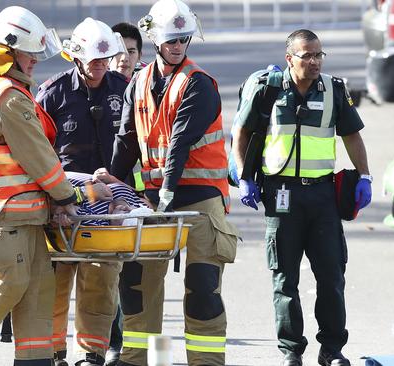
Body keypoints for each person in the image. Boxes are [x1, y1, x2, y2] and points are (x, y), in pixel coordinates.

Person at [0, 7, 110, 366]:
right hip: (1, 211)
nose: (36, 61)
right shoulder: (9, 98)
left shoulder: (5, 90)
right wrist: (73, 196)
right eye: (30, 54)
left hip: (25, 213)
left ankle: (34, 359)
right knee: (9, 282)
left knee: (38, 290)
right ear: (10, 52)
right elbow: (39, 158)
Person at [109, 0, 240, 365]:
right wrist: (108, 182)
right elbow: (127, 141)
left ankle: (206, 362)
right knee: (136, 285)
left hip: (200, 200)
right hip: (154, 201)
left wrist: (167, 190)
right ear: (154, 39)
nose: (178, 45)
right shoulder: (137, 83)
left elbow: (180, 142)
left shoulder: (199, 84)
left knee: (202, 288)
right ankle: (134, 358)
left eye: (183, 38)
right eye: (171, 39)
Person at [230, 29, 372, 366]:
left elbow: (351, 135)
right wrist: (244, 176)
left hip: (323, 194)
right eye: (306, 55)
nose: (314, 62)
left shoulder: (334, 90)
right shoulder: (269, 90)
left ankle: (332, 349)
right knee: (284, 278)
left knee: (332, 275)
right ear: (289, 58)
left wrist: (364, 175)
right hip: (281, 195)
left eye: (319, 55)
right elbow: (242, 131)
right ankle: (291, 350)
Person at [36, 18, 129, 366]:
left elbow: (134, 143)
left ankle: (91, 353)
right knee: (56, 281)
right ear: (75, 58)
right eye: (94, 61)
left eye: (105, 60)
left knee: (101, 279)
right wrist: (54, 202)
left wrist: (124, 193)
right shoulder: (52, 93)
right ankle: (55, 352)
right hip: (63, 203)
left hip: (110, 200)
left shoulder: (124, 87)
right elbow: (38, 152)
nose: (101, 67)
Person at [106, 21, 144, 366]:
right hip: (105, 190)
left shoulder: (149, 85)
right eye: (116, 53)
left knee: (137, 275)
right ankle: (117, 342)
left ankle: (133, 345)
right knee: (111, 271)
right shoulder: (101, 84)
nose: (123, 59)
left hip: (141, 193)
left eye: (130, 52)